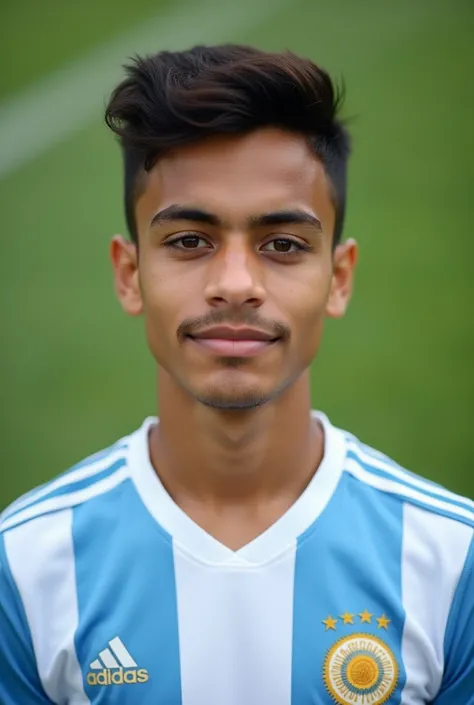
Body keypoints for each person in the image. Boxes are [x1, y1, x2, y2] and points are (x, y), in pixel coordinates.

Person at [0, 44, 472, 705]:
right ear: (129, 273)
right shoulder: (24, 569)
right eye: (190, 240)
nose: (235, 285)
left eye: (283, 245)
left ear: (338, 278)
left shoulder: (453, 564)